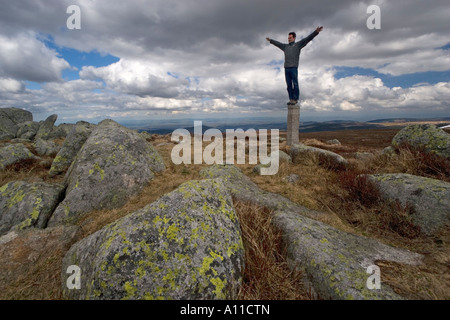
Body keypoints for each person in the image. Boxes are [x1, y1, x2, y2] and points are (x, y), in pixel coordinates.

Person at [266, 26, 323, 105]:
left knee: (295, 84)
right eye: (288, 38)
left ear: (294, 38)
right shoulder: (285, 47)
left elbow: (307, 39)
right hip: (286, 68)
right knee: (289, 85)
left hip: (293, 68)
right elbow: (278, 44)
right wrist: (271, 40)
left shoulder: (298, 45)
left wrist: (316, 32)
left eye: (290, 38)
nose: (289, 39)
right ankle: (291, 99)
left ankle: (295, 99)